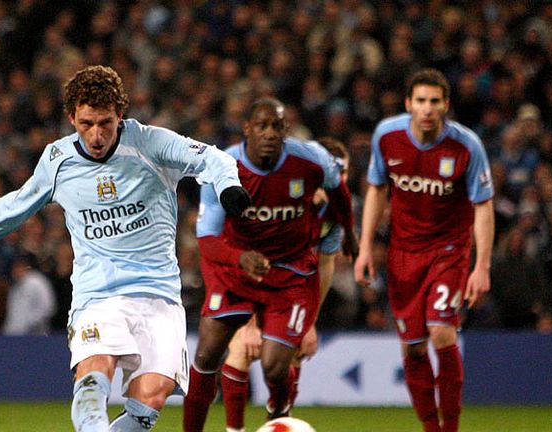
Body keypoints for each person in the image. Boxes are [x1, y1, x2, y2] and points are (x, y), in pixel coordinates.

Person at [0, 65, 249, 432]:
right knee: (93, 380)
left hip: (158, 295)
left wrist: (228, 186)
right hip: (98, 295)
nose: (96, 135)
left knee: (149, 401)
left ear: (120, 115)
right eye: (86, 123)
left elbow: (213, 158)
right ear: (71, 117)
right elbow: (12, 209)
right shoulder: (58, 162)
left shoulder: (150, 144)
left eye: (105, 122)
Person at [183, 98, 356, 432]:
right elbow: (206, 238)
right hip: (235, 272)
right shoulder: (224, 166)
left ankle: (278, 408)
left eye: (277, 126)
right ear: (247, 129)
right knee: (207, 355)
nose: (269, 133)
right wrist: (240, 258)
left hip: (289, 275)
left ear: (285, 130)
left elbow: (339, 191)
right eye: (262, 126)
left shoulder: (311, 159)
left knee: (275, 368)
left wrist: (349, 231)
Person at [354, 68, 494, 432]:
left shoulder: (466, 146)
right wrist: (366, 246)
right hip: (403, 256)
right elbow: (376, 189)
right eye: (420, 101)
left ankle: (450, 428)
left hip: (449, 250)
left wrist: (482, 266)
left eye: (434, 101)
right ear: (408, 104)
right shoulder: (387, 135)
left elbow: (483, 205)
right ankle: (431, 428)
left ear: (446, 104)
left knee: (442, 331)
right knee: (413, 349)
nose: (427, 109)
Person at [218, 137, 350, 432]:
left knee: (287, 361)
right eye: (335, 172)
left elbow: (325, 265)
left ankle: (277, 419)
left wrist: (310, 322)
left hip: (293, 291)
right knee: (242, 348)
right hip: (247, 281)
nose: (338, 180)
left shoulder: (331, 214)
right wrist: (250, 323)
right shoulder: (281, 194)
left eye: (344, 175)